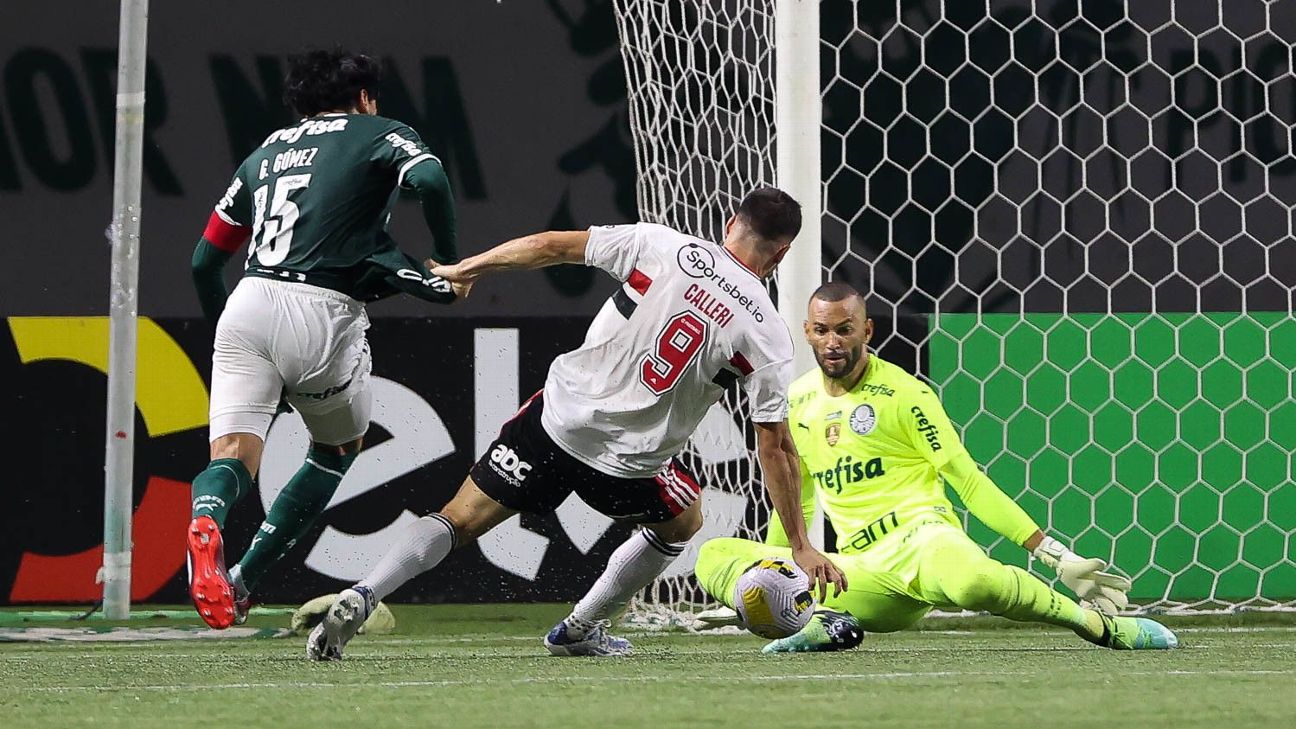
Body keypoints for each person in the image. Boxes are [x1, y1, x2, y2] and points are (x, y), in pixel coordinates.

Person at [306, 187, 847, 660]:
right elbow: (774, 446)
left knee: (458, 519)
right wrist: (799, 542)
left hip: (556, 422)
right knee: (683, 520)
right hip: (627, 467)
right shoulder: (768, 331)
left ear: (731, 224)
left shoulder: (659, 244)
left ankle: (364, 593)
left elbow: (551, 246)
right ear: (783, 251)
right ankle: (580, 627)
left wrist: (469, 267)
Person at [693, 282, 1178, 651]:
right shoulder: (797, 400)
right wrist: (780, 579)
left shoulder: (906, 394)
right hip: (860, 570)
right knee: (712, 555)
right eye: (822, 331)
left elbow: (966, 478)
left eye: (845, 329)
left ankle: (1097, 625)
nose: (833, 342)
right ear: (807, 333)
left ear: (867, 330)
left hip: (924, 541)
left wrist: (1054, 554)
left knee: (975, 582)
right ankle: (821, 625)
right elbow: (797, 499)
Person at [186, 48, 462, 629]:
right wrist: (447, 259)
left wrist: (233, 336)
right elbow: (431, 178)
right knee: (336, 450)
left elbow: (204, 261)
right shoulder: (378, 131)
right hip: (322, 308)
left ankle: (207, 518)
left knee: (233, 456)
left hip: (248, 302)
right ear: (364, 97)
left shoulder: (264, 155)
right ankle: (246, 579)